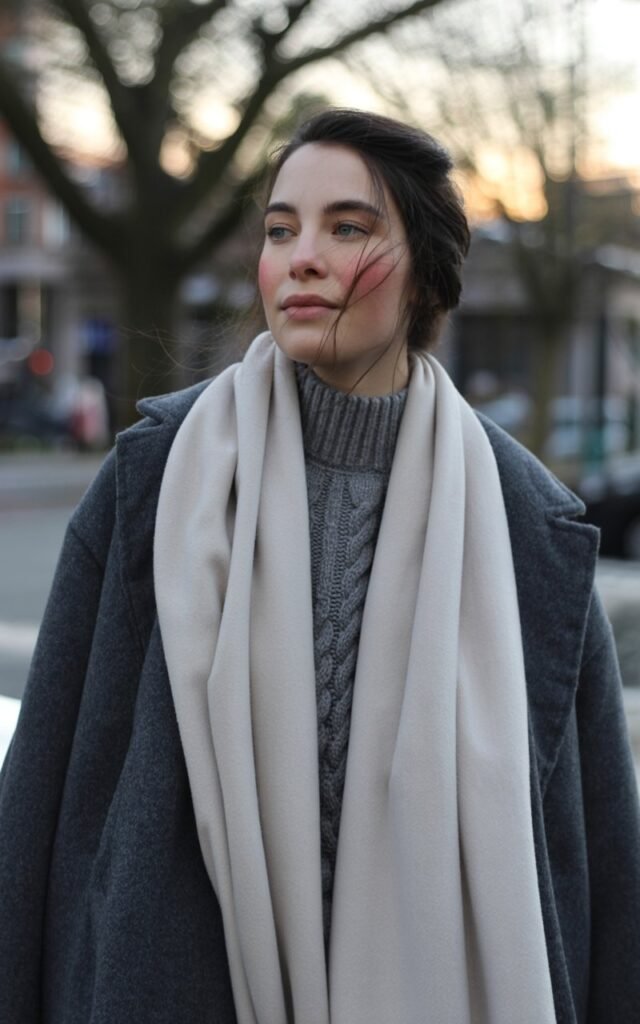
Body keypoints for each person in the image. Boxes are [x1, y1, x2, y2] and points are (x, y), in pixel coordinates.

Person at [1, 108, 639, 1024]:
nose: (301, 256)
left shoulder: (529, 525)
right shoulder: (155, 478)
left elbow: (602, 859)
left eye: (348, 227)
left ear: (424, 276)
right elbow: (40, 787)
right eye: (278, 229)